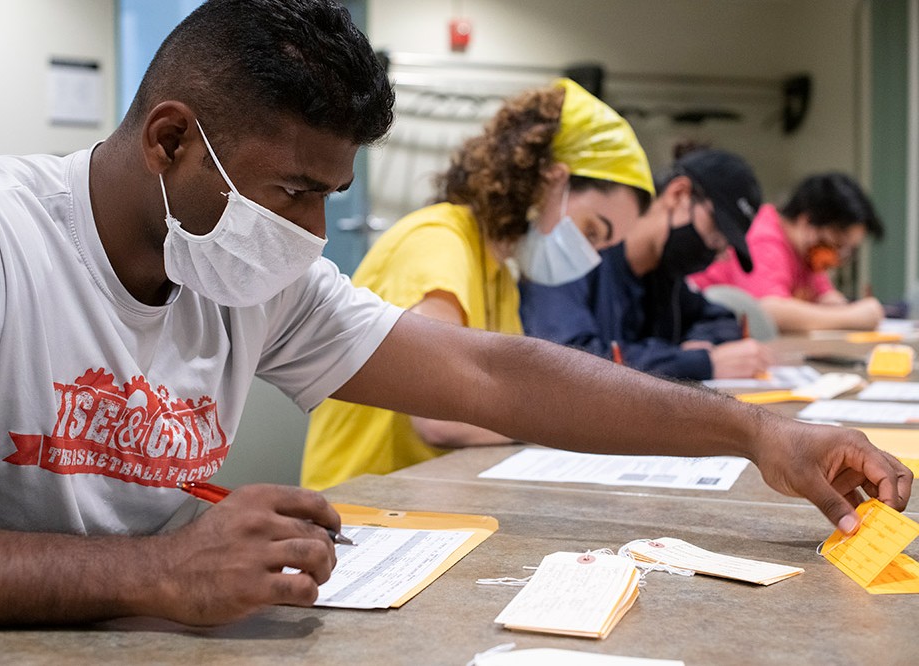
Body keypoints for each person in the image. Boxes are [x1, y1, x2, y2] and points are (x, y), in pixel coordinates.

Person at [0, 0, 909, 629]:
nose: (310, 233)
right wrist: (150, 572)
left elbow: (491, 375)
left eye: (328, 198)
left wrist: (755, 432)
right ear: (171, 141)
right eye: (294, 192)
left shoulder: (250, 277)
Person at [301, 78, 655, 490]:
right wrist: (570, 423)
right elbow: (440, 421)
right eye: (592, 231)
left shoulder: (499, 274)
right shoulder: (438, 243)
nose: (588, 258)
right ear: (549, 179)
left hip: (425, 498)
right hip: (359, 509)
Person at [520, 149, 773, 381]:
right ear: (679, 194)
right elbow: (565, 357)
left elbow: (720, 319)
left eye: (722, 246)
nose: (714, 252)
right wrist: (697, 363)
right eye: (715, 235)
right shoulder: (577, 255)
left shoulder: (663, 276)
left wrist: (700, 342)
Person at [690, 172, 885, 333]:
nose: (839, 256)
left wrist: (842, 307)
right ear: (807, 220)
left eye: (848, 250)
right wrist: (852, 317)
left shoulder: (806, 253)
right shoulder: (764, 237)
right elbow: (769, 309)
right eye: (838, 243)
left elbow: (826, 298)